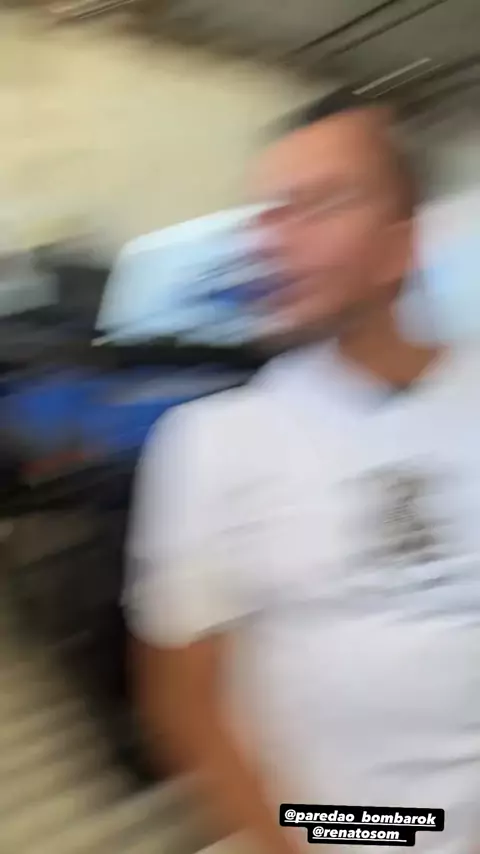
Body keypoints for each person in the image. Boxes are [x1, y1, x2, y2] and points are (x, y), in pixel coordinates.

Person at [124, 88, 480, 854]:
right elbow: (183, 701)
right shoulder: (213, 443)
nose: (274, 239)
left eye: (319, 205)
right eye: (268, 212)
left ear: (402, 242)